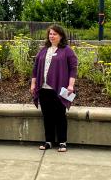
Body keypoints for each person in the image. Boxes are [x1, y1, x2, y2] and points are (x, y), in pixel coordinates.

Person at [30, 24, 78, 152]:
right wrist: (33, 84)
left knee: (60, 115)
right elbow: (35, 68)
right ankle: (48, 141)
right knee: (47, 115)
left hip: (60, 89)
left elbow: (73, 69)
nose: (52, 36)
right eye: (50, 34)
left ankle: (62, 142)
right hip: (43, 88)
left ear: (61, 36)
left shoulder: (67, 50)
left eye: (54, 34)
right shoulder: (43, 50)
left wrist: (71, 85)